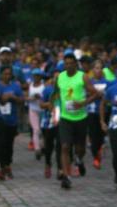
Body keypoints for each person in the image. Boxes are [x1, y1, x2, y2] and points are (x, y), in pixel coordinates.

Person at [54, 52, 98, 189]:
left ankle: (79, 159)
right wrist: (55, 112)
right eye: (66, 63)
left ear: (75, 64)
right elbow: (56, 95)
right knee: (65, 146)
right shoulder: (60, 77)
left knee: (80, 148)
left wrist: (83, 103)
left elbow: (96, 93)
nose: (68, 66)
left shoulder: (82, 77)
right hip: (65, 118)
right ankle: (67, 177)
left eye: (71, 63)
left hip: (81, 118)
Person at [0, 66, 24, 180]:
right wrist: (2, 98)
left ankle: (7, 165)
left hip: (11, 120)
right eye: (5, 74)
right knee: (0, 144)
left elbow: (22, 100)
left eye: (9, 74)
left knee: (9, 145)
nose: (7, 76)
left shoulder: (15, 86)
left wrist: (13, 97)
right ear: (1, 74)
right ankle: (2, 167)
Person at [87, 60, 109, 169]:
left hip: (104, 112)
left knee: (101, 136)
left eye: (100, 68)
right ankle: (96, 157)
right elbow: (85, 97)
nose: (98, 70)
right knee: (92, 136)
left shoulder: (108, 82)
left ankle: (100, 150)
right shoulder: (89, 82)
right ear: (92, 70)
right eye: (96, 68)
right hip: (91, 112)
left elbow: (110, 98)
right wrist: (95, 95)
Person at [40, 73, 62, 180]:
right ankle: (48, 164)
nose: (57, 80)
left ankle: (60, 169)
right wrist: (50, 104)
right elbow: (41, 104)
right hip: (48, 122)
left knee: (60, 146)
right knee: (49, 147)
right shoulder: (47, 90)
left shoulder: (64, 90)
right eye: (55, 78)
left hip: (61, 122)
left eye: (59, 78)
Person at [27, 68, 46, 160]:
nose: (36, 77)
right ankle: (37, 149)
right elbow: (26, 97)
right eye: (35, 76)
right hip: (33, 109)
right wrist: (32, 98)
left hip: (43, 110)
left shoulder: (44, 86)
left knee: (43, 130)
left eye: (38, 76)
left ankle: (43, 145)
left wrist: (40, 97)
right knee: (36, 129)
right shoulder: (30, 85)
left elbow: (47, 96)